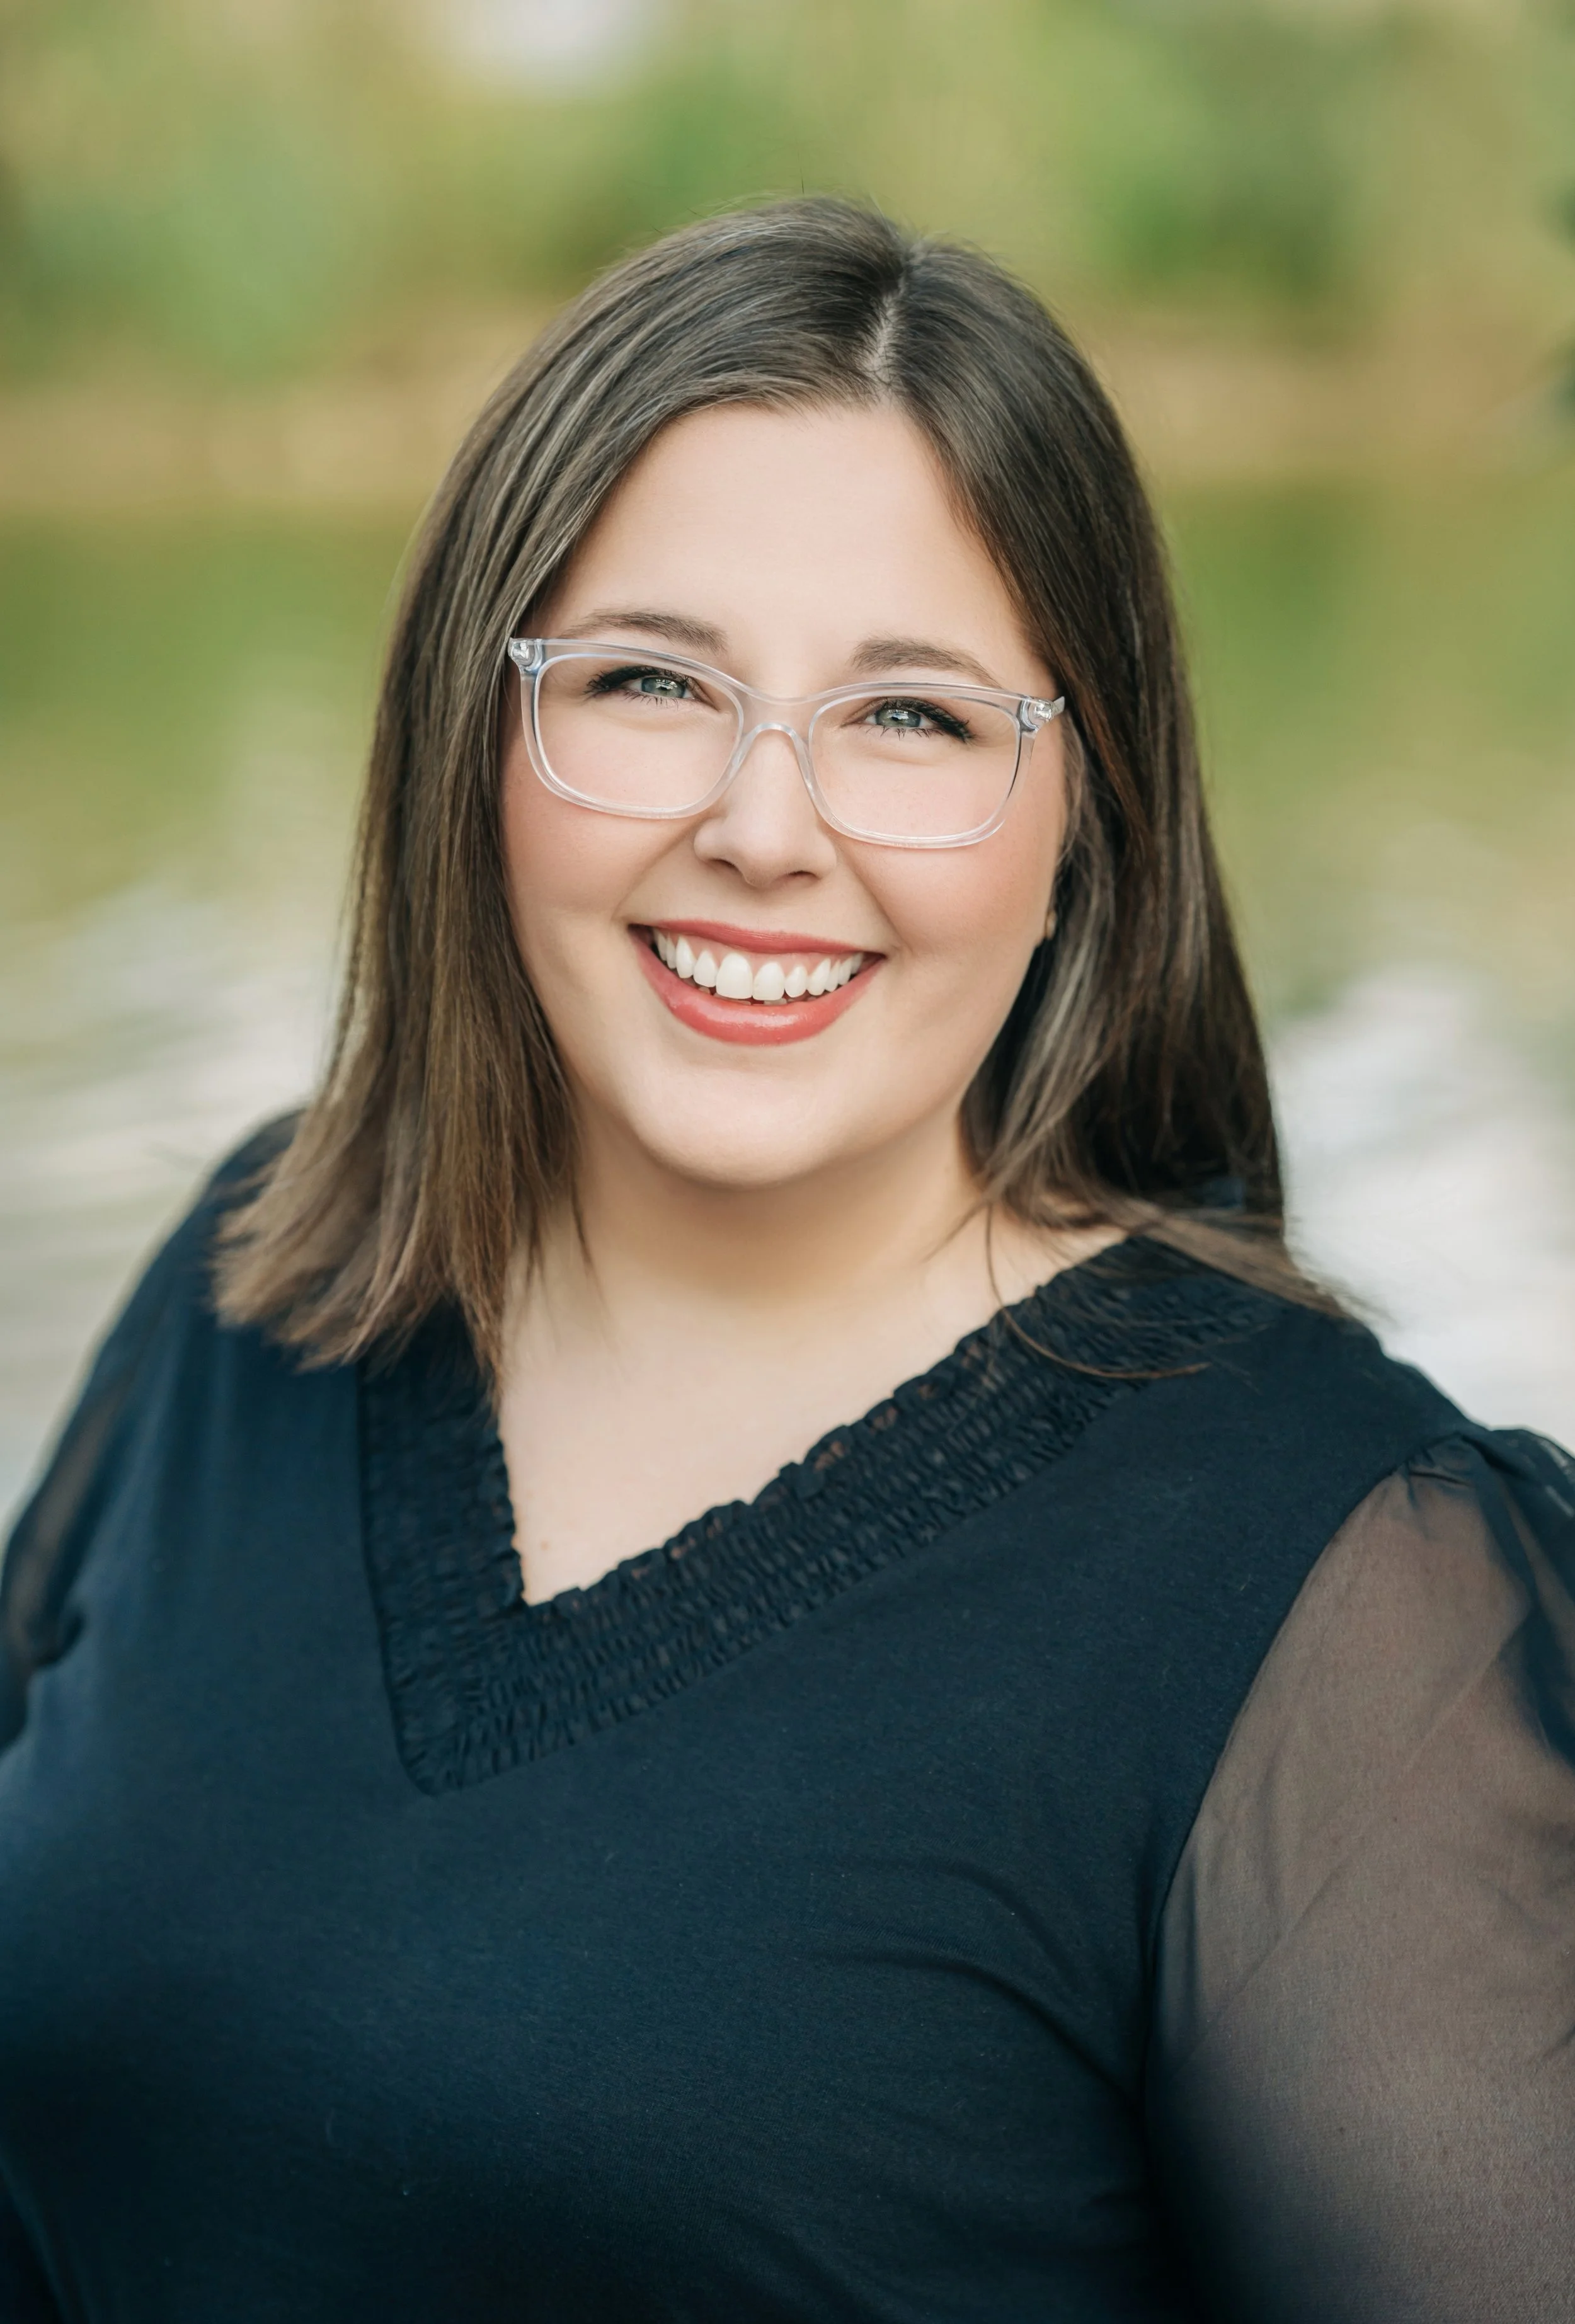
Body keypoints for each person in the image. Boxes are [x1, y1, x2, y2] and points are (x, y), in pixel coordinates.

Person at [1, 197, 1570, 2322]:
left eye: (911, 717)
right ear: (478, 741)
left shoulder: (1338, 1580)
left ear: (1083, 827)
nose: (762, 827)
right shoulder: (255, 1283)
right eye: (650, 682)